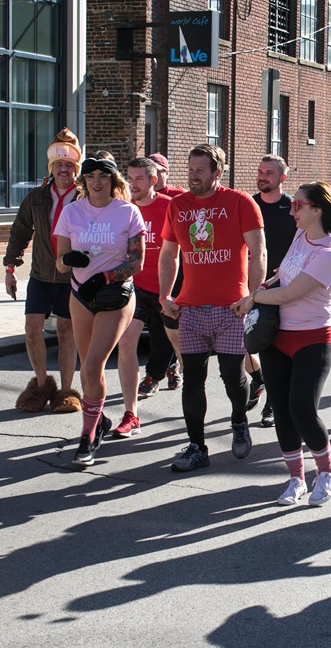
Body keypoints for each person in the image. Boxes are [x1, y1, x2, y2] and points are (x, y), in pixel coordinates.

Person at [231, 182, 331, 506]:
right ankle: (296, 479)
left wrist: (253, 297)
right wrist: (265, 283)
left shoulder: (328, 254)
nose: (292, 209)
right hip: (277, 338)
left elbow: (290, 293)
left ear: (317, 210)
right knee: (283, 411)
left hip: (312, 339)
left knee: (302, 408)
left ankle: (326, 471)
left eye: (298, 204)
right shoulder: (300, 236)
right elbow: (282, 277)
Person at [158, 144, 266, 472]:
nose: (193, 176)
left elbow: (258, 251)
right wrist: (166, 296)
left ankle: (238, 421)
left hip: (230, 309)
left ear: (217, 173)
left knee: (233, 377)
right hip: (190, 310)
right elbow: (168, 255)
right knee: (193, 378)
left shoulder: (240, 203)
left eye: (200, 170)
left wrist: (252, 296)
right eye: (190, 169)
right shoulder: (177, 206)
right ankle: (196, 447)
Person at [54, 155, 146, 466]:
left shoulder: (128, 212)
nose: (96, 181)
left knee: (93, 366)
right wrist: (70, 261)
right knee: (87, 368)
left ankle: (88, 436)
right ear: (83, 181)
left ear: (112, 180)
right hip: (80, 295)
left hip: (114, 295)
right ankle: (100, 419)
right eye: (90, 176)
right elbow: (59, 260)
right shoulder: (71, 212)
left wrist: (105, 277)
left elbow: (137, 262)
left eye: (103, 176)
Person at [4, 128, 83, 414]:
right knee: (32, 330)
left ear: (76, 169)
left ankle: (65, 389)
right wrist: (10, 267)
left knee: (66, 331)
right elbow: (20, 231)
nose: (64, 170)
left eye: (70, 165)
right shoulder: (36, 197)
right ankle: (41, 385)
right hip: (40, 276)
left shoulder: (84, 198)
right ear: (52, 168)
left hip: (70, 278)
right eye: (59, 165)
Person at [112, 157, 181, 437]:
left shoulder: (170, 208)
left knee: (181, 345)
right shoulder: (124, 210)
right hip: (136, 287)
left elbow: (181, 252)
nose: (133, 183)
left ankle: (183, 372)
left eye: (139, 178)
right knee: (126, 342)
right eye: (130, 177)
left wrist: (170, 293)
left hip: (168, 287)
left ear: (154, 181)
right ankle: (131, 414)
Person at [246, 154, 299, 428]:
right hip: (250, 285)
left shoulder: (292, 207)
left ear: (282, 178)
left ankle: (272, 406)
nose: (263, 176)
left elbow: (304, 242)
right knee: (245, 344)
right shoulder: (248, 205)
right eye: (260, 171)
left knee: (273, 350)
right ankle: (258, 380)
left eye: (269, 172)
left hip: (283, 287)